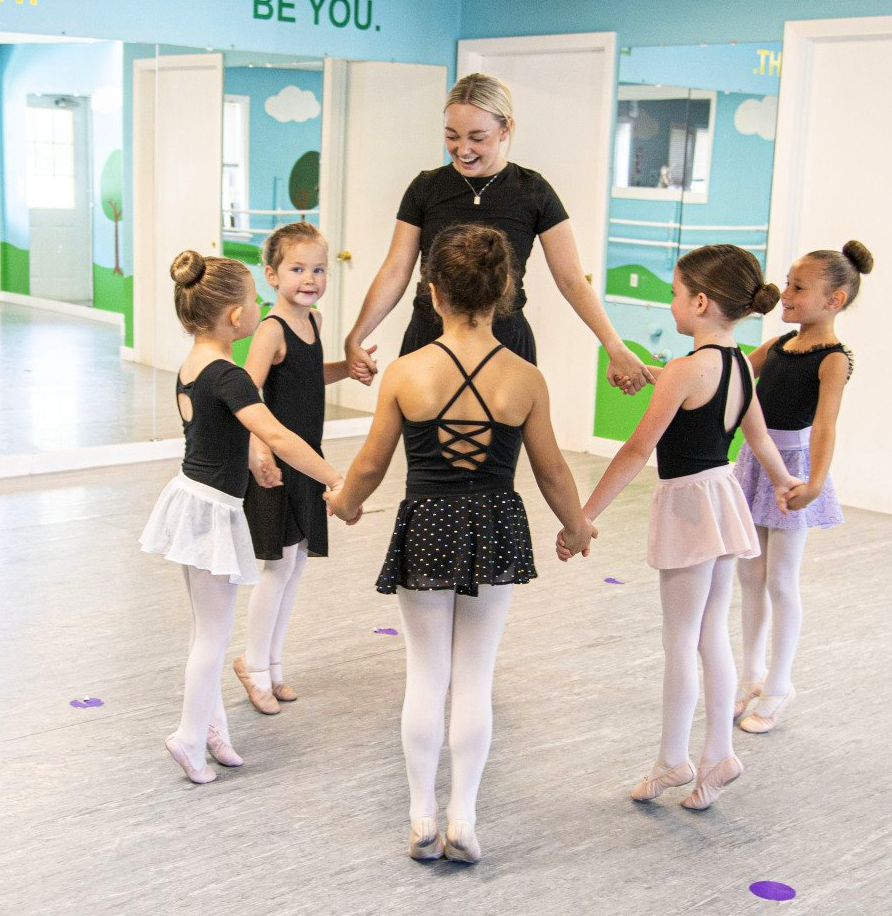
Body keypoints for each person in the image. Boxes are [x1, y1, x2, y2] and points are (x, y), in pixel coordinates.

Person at [326, 224, 597, 866]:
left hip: (427, 522)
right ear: (505, 289)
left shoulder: (405, 372)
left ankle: (422, 817)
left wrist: (345, 502)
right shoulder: (525, 377)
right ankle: (464, 817)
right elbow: (552, 469)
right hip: (494, 520)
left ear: (432, 292)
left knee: (427, 672)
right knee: (474, 675)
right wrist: (576, 525)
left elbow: (368, 464)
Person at [573, 245, 801, 812]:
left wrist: (584, 515)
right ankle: (717, 752)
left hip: (689, 506)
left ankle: (675, 759)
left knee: (680, 639)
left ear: (700, 303)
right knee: (709, 635)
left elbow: (636, 449)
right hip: (723, 498)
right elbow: (758, 436)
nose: (669, 302)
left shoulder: (684, 370)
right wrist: (782, 483)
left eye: (674, 293)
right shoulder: (741, 365)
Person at [138, 251, 344, 786]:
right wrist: (334, 478)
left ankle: (212, 726)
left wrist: (252, 458)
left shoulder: (193, 363)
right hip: (209, 511)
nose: (258, 310)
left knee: (205, 629)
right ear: (235, 317)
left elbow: (225, 435)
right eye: (253, 300)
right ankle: (188, 736)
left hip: (194, 500)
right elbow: (276, 434)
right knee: (212, 636)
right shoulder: (229, 375)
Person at [340, 72, 652, 396]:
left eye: (477, 137)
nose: (463, 149)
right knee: (426, 446)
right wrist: (356, 337)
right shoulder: (426, 188)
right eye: (451, 136)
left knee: (499, 447)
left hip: (503, 339)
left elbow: (572, 279)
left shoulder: (534, 191)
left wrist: (614, 346)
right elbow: (395, 270)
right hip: (431, 336)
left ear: (505, 129)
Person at [734, 241, 873, 735]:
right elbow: (727, 376)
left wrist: (814, 481)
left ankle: (779, 684)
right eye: (788, 282)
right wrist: (660, 376)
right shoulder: (776, 346)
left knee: (780, 580)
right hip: (755, 461)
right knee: (749, 575)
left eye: (798, 286)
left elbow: (825, 426)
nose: (785, 293)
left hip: (791, 468)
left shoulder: (834, 358)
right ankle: (750, 673)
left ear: (834, 300)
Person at [232, 223, 365, 714]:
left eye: (318, 270)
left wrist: (346, 370)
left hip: (305, 459)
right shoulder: (270, 330)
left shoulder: (314, 322)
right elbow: (245, 395)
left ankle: (274, 664)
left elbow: (308, 377)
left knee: (296, 565)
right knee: (278, 567)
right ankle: (253, 664)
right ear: (271, 275)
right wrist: (258, 450)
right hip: (278, 463)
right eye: (297, 269)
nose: (310, 279)